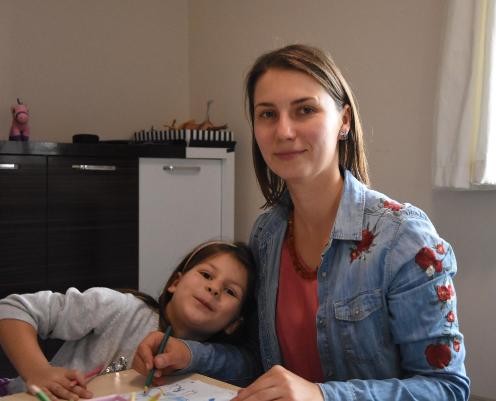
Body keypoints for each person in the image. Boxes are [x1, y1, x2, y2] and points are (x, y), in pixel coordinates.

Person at [133, 44, 470, 401]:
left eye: (305, 110)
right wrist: (191, 355)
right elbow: (261, 363)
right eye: (267, 114)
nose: (284, 131)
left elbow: (447, 388)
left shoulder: (405, 239)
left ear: (344, 120)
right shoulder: (267, 233)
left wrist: (322, 396)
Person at [0, 240, 256, 400]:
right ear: (175, 283)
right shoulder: (117, 308)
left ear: (234, 323)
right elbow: (12, 308)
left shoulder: (214, 363)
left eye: (230, 291)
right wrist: (37, 371)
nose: (214, 289)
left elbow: (249, 369)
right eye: (206, 275)